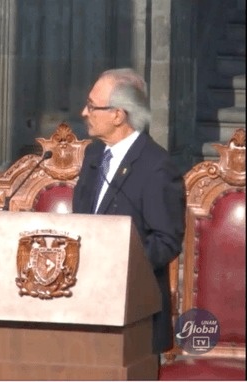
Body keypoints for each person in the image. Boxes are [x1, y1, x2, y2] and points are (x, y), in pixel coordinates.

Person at [72, 68, 186, 355]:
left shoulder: (156, 166)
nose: (84, 112)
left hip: (135, 311)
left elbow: (166, 241)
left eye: (92, 106)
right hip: (82, 303)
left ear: (118, 115)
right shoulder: (94, 154)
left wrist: (113, 264)